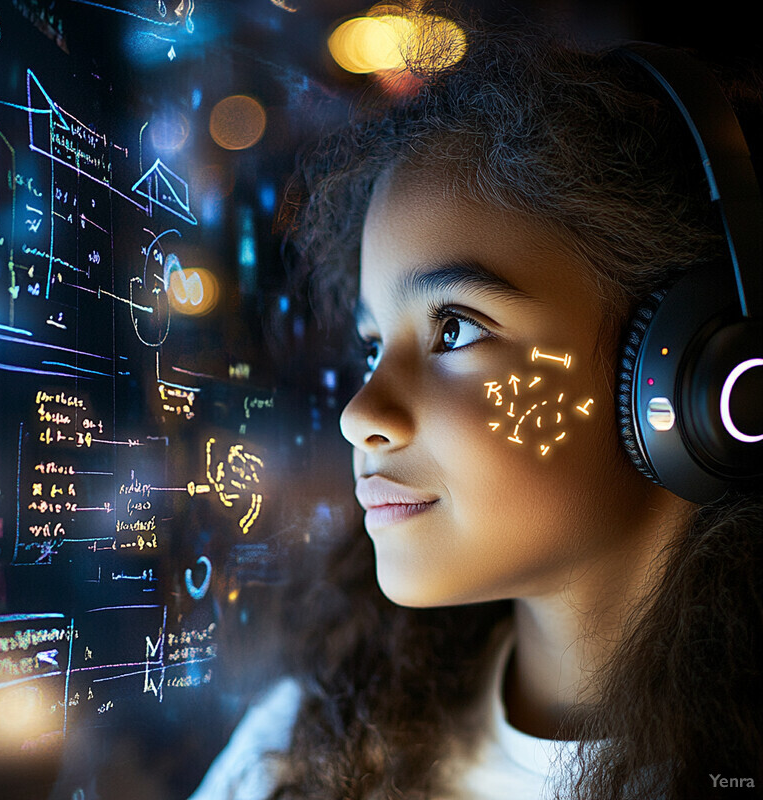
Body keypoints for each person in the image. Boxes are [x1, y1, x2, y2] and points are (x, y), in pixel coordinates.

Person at [190, 18, 763, 800]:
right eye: (371, 346)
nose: (361, 412)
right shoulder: (302, 746)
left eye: (454, 328)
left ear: (689, 375)